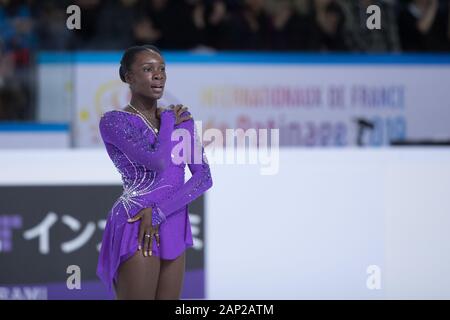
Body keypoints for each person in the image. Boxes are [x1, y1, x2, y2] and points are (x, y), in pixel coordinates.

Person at [96, 45, 213, 299]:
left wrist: (161, 212)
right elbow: (157, 160)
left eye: (162, 69)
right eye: (148, 69)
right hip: (137, 222)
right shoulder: (115, 121)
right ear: (129, 77)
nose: (158, 75)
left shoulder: (183, 122)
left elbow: (204, 177)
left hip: (171, 219)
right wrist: (169, 119)